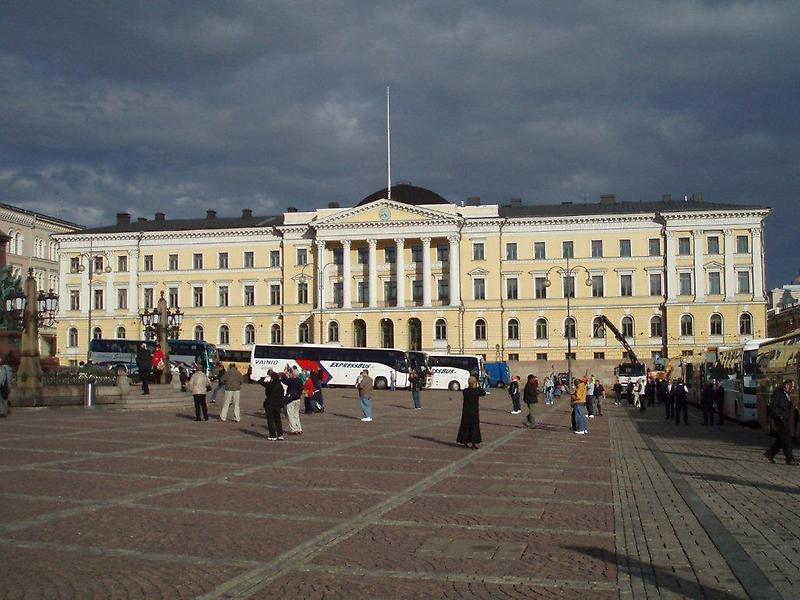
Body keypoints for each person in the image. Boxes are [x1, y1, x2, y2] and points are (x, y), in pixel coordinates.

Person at [764, 379, 797, 465]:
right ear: (786, 384)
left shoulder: (786, 394)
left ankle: (770, 453)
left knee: (782, 438)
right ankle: (789, 458)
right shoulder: (778, 392)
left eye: (793, 387)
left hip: (784, 418)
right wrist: (780, 415)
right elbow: (773, 406)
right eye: (790, 386)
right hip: (779, 418)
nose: (791, 388)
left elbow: (787, 407)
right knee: (787, 438)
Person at [457, 375, 485, 448]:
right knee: (474, 427)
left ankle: (464, 441)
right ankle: (473, 442)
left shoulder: (465, 390)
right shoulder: (476, 390)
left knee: (465, 426)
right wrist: (478, 386)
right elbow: (483, 393)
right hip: (474, 411)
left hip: (466, 411)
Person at [259, 370, 285, 440]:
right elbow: (282, 395)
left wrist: (264, 377)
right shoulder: (280, 386)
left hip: (270, 403)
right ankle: (280, 435)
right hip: (278, 404)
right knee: (278, 420)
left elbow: (260, 381)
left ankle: (272, 435)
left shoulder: (270, 385)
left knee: (270, 420)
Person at [280, 366, 304, 434]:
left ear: (293, 374)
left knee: (290, 414)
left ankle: (294, 429)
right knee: (296, 415)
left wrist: (285, 373)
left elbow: (283, 380)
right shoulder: (300, 381)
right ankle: (299, 428)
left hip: (291, 399)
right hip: (298, 399)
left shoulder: (292, 381)